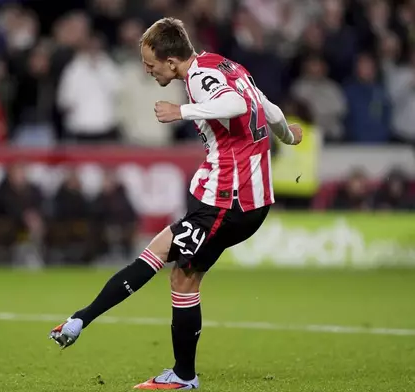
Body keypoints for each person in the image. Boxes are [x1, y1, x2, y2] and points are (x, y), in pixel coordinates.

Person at [48, 17, 302, 390]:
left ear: (171, 61)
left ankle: (177, 372)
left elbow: (232, 104)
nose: (147, 71)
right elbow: (271, 110)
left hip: (228, 202)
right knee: (173, 267)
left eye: (150, 64)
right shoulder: (224, 65)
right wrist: (288, 137)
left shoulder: (200, 79)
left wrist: (180, 112)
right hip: (242, 202)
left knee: (170, 267)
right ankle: (88, 325)